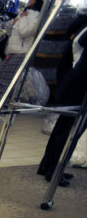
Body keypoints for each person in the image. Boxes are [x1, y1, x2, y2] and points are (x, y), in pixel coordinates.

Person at [37, 22, 87, 187]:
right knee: (68, 130)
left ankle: (47, 166)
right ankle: (53, 170)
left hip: (74, 82)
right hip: (79, 85)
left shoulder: (81, 27)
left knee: (63, 128)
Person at [0, 0, 47, 98]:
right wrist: (14, 22)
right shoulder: (24, 13)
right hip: (11, 51)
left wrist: (22, 19)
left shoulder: (37, 17)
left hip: (21, 53)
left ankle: (0, 105)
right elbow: (9, 31)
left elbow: (24, 33)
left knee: (5, 83)